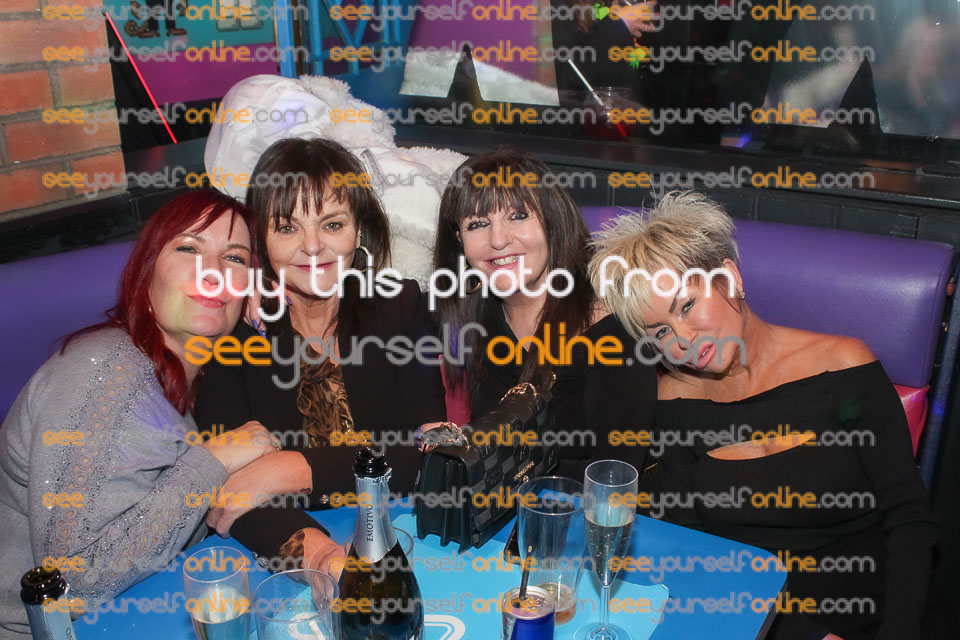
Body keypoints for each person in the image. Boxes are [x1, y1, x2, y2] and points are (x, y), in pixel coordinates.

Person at [588, 191, 938, 640]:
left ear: (728, 277)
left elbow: (909, 518)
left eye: (687, 306)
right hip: (759, 622)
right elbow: (693, 552)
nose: (683, 339)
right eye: (660, 332)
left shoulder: (842, 367)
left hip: (882, 615)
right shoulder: (673, 403)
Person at [0, 190, 275, 636]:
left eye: (235, 258)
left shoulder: (189, 378)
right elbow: (71, 582)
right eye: (189, 248)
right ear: (146, 275)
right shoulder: (106, 370)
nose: (213, 272)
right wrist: (215, 460)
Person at [194, 138, 446, 575]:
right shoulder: (232, 334)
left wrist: (290, 469)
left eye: (332, 224)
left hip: (404, 533)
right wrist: (320, 557)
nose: (313, 247)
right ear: (260, 241)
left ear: (358, 230)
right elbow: (232, 496)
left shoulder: (400, 307)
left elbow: (429, 454)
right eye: (286, 228)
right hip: (286, 550)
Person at [432, 146, 657, 479]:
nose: (498, 240)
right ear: (459, 241)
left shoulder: (611, 332)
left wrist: (485, 461)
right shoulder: (470, 319)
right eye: (478, 224)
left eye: (518, 216)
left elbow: (613, 475)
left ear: (552, 221)